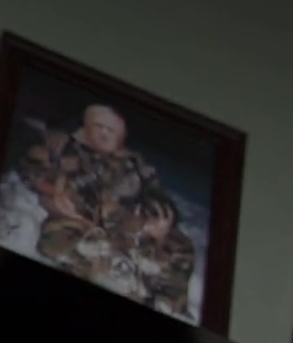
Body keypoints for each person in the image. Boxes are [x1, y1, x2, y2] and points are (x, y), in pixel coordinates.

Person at [16, 103, 198, 319]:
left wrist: (160, 221)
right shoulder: (63, 147)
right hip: (80, 220)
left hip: (127, 226)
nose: (103, 133)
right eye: (98, 126)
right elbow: (31, 169)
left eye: (110, 130)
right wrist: (53, 189)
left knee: (180, 247)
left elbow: (158, 196)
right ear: (86, 127)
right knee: (58, 241)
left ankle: (168, 303)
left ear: (122, 135)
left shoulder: (134, 163)